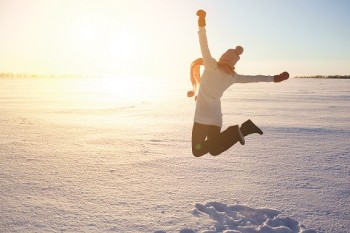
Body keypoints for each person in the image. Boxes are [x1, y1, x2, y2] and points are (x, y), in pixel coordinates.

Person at [190, 10, 289, 157]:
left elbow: (203, 44)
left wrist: (201, 21)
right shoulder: (232, 77)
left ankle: (234, 131)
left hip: (201, 118)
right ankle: (244, 130)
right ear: (233, 63)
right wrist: (274, 78)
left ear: (223, 57)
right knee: (215, 149)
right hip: (215, 119)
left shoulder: (211, 66)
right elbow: (254, 78)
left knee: (198, 151)